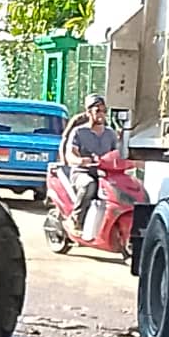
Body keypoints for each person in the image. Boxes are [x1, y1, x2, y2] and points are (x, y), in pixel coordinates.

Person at [65, 93, 118, 235]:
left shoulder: (110, 134)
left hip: (104, 173)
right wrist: (81, 161)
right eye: (97, 110)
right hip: (82, 173)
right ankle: (76, 219)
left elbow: (116, 154)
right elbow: (70, 155)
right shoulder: (78, 132)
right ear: (88, 112)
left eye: (104, 111)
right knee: (89, 185)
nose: (101, 114)